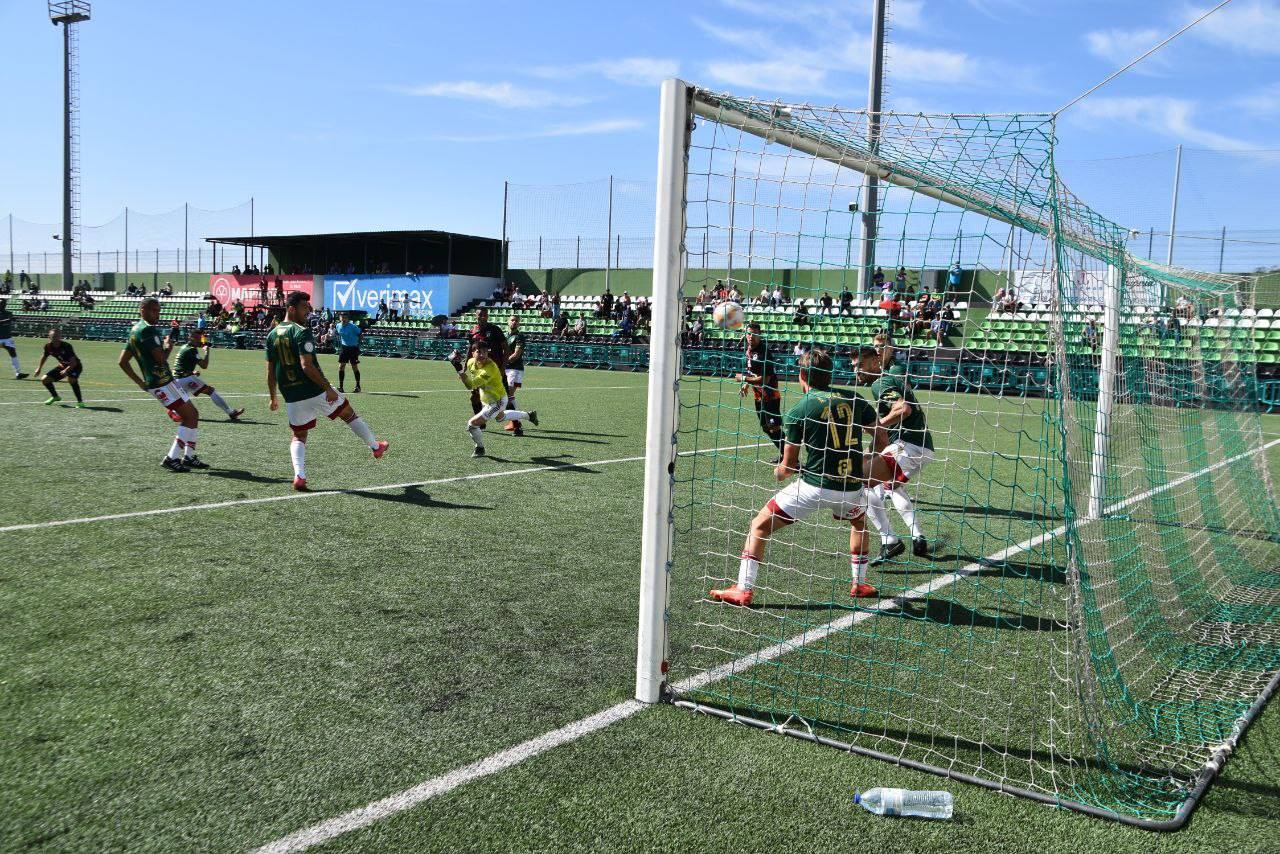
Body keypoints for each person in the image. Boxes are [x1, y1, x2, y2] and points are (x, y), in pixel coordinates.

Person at [710, 349, 886, 606]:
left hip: (814, 487)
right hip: (850, 488)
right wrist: (867, 462)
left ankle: (744, 589)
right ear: (830, 374)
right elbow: (881, 437)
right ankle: (858, 584)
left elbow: (789, 467)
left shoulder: (797, 410)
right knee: (859, 524)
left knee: (759, 526)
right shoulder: (856, 399)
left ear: (802, 375)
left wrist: (779, 472)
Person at [266, 292, 388, 491]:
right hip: (314, 389)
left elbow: (271, 371)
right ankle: (375, 447)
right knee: (349, 414)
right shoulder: (300, 331)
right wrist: (327, 389)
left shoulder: (272, 334)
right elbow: (307, 366)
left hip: (291, 395)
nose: (308, 311)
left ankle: (299, 476)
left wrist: (273, 397)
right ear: (291, 308)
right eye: (304, 307)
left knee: (299, 435)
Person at [855, 345, 935, 563]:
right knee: (891, 485)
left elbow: (903, 409)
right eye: (853, 366)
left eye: (860, 365)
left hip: (908, 445)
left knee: (859, 482)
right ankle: (917, 536)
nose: (856, 371)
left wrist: (877, 424)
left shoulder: (878, 383)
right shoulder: (888, 380)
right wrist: (870, 449)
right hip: (919, 445)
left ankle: (889, 540)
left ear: (874, 362)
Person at [119, 298, 206, 472]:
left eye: (158, 310)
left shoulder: (135, 330)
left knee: (193, 414)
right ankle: (171, 458)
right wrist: (168, 347)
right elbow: (161, 359)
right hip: (162, 382)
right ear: (142, 309)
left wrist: (140, 383)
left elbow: (122, 362)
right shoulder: (148, 331)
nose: (157, 314)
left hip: (163, 382)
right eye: (153, 310)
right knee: (189, 417)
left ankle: (189, 456)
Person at [448, 342, 538, 457]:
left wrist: (458, 369)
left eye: (485, 352)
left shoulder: (489, 369)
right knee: (501, 417)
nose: (482, 355)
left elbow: (470, 385)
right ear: (472, 353)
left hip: (497, 400)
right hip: (487, 398)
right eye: (479, 351)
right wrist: (461, 369)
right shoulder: (471, 362)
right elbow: (470, 378)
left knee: (472, 425)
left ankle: (480, 448)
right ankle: (529, 415)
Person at [735, 321, 784, 461]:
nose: (751, 336)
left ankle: (791, 459)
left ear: (760, 335)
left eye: (755, 334)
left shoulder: (765, 352)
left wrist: (743, 378)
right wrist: (746, 383)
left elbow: (764, 380)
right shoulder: (748, 350)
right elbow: (751, 371)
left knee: (774, 428)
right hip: (759, 397)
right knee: (766, 427)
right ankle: (784, 455)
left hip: (770, 396)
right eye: (749, 333)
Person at [172, 329, 245, 421]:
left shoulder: (183, 347)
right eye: (196, 338)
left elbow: (180, 365)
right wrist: (207, 352)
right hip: (185, 379)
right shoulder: (191, 350)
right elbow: (204, 365)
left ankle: (175, 413)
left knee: (184, 400)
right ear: (189, 338)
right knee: (211, 391)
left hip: (176, 379)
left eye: (199, 338)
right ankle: (231, 412)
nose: (198, 340)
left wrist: (191, 372)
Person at [468, 307, 509, 415]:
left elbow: (506, 349)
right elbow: (470, 352)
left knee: (505, 398)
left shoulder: (495, 330)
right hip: (480, 372)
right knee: (474, 397)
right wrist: (464, 368)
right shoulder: (472, 332)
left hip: (496, 371)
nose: (483, 317)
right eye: (480, 314)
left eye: (485, 315)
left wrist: (503, 368)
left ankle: (516, 426)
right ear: (475, 316)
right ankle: (479, 423)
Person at [36, 328, 85, 408]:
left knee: (71, 380)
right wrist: (39, 368)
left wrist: (66, 370)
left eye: (57, 336)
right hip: (63, 366)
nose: (56, 338)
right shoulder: (48, 346)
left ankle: (80, 402)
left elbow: (74, 362)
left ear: (60, 337)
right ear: (49, 337)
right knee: (45, 379)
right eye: (53, 336)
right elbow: (44, 356)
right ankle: (55, 396)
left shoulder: (66, 346)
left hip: (75, 366)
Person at [504, 315, 528, 435]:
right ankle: (514, 422)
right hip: (505, 368)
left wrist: (502, 362)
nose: (514, 322)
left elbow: (516, 355)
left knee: (508, 395)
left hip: (515, 370)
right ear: (508, 322)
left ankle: (517, 424)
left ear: (519, 324)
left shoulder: (519, 336)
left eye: (516, 321)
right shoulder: (505, 336)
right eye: (512, 320)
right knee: (508, 396)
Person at [335, 313, 364, 393]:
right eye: (342, 317)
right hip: (344, 348)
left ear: (348, 319)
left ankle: (358, 387)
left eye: (345, 318)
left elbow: (361, 335)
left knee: (354, 366)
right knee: (341, 366)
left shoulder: (353, 327)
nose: (343, 319)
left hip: (353, 348)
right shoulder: (338, 326)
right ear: (340, 318)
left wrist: (357, 345)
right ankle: (341, 387)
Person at [0, 300, 28, 379]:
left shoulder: (9, 313)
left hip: (8, 338)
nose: (3, 305)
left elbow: (14, 319)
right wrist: (9, 320)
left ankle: (18, 373)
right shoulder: (8, 315)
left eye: (4, 304)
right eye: (1, 304)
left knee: (13, 353)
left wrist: (24, 312)